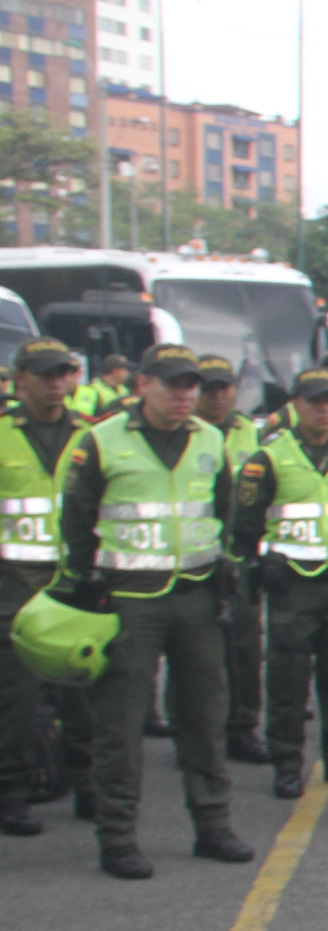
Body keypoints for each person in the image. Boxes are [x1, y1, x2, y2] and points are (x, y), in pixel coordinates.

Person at [50, 344, 254, 877]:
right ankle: (118, 835)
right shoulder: (101, 440)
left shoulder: (210, 439)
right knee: (120, 725)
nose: (185, 395)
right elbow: (75, 519)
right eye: (173, 385)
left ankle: (213, 824)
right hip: (129, 599)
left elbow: (223, 512)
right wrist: (87, 582)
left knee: (205, 717)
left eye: (192, 386)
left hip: (197, 596)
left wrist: (223, 570)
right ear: (143, 385)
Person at [228, 369, 328, 799]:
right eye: (314, 401)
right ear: (295, 405)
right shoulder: (269, 458)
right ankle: (287, 762)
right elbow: (245, 525)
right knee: (288, 680)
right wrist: (258, 565)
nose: (325, 409)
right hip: (292, 586)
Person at [0, 338, 89, 834]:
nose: (56, 384)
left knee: (81, 690)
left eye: (63, 373)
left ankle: (88, 785)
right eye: (45, 375)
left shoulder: (89, 435)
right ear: (20, 381)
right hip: (13, 582)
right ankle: (11, 791)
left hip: (71, 580)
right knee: (17, 695)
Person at [196, 355, 271, 761]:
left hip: (238, 556)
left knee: (244, 646)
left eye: (224, 387)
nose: (218, 395)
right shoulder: (186, 432)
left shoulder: (250, 432)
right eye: (208, 388)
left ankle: (243, 726)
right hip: (194, 558)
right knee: (196, 652)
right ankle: (195, 730)